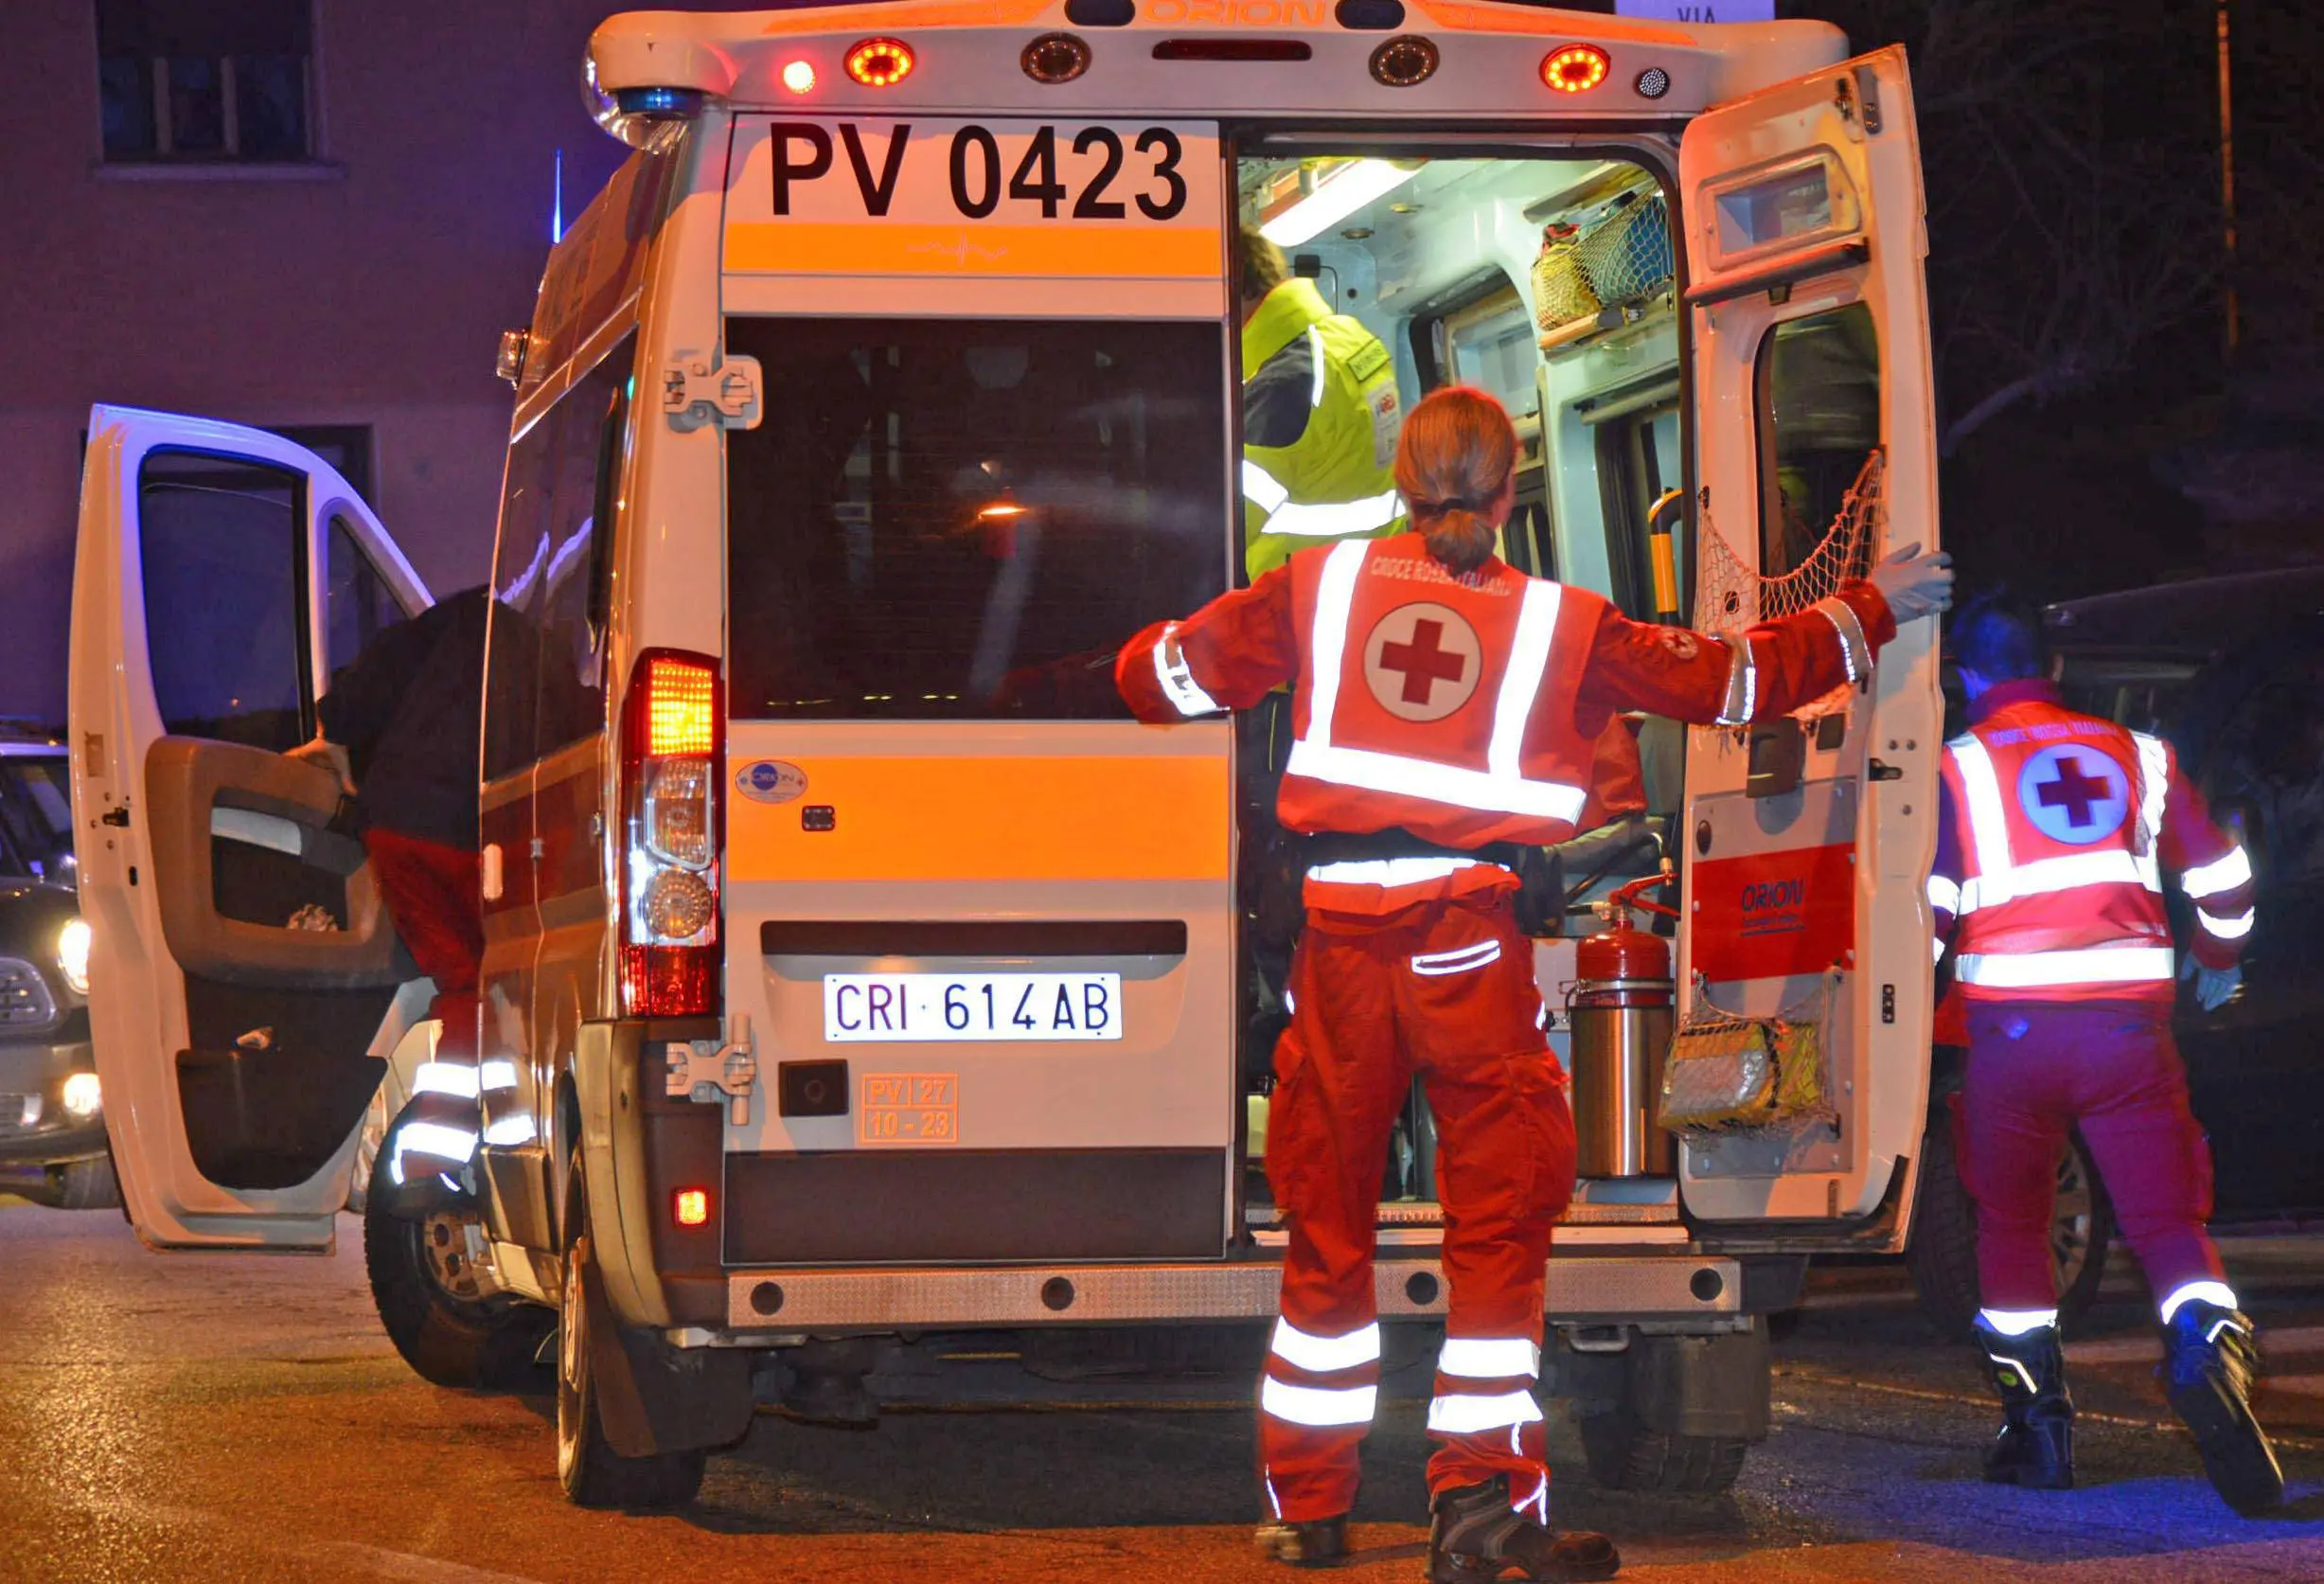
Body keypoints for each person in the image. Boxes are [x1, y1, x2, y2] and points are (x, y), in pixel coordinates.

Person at [1115, 386, 1953, 1577]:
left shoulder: (1316, 587)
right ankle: (1479, 1497)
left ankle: (1305, 1506)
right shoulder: (1563, 619)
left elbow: (1160, 683)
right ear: (1509, 494)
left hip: (1338, 941)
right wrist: (1869, 610)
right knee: (1497, 1223)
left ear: (1403, 483)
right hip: (1467, 938)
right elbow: (1735, 684)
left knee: (1326, 1217)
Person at [1928, 594, 2278, 1514]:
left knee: (2010, 1222)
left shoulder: (1954, 768)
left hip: (2008, 1036)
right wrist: (2215, 961)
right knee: (2165, 1219)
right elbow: (2225, 877)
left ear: (1966, 677)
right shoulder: (2141, 754)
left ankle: (2037, 1427)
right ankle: (2206, 1339)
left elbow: (1924, 914)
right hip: (2127, 1031)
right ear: (2051, 667)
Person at [291, 587, 492, 1200]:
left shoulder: (459, 614)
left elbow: (364, 683)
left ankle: (431, 1162)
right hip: (466, 831)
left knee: (460, 984)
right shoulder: (555, 637)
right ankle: (441, 1160)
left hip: (395, 824)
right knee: (482, 986)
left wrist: (337, 740)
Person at [1240, 225, 1408, 580]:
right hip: (1380, 577)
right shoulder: (1352, 339)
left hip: (1303, 601)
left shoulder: (1282, 385)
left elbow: (1225, 530)